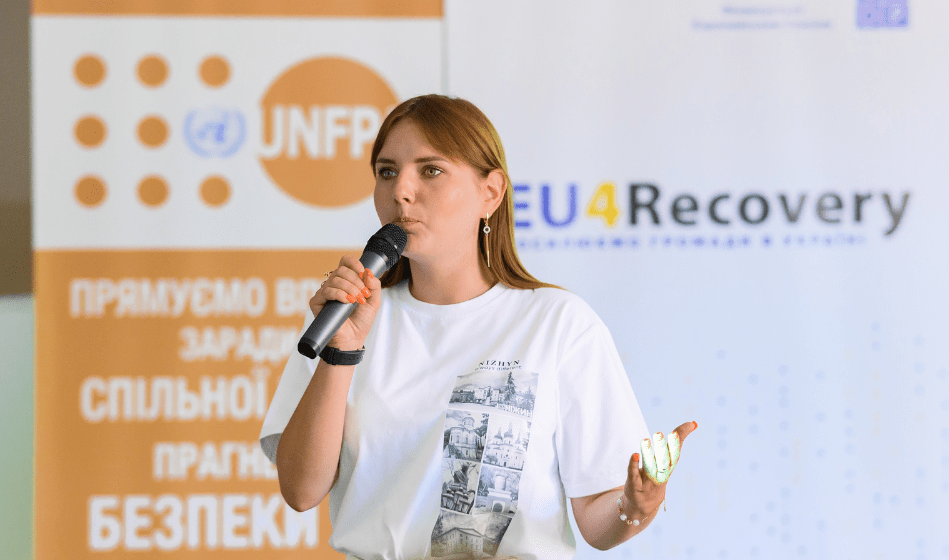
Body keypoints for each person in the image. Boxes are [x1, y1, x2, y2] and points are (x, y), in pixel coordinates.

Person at [259, 94, 697, 560]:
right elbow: (301, 492)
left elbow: (597, 522)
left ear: (491, 192)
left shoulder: (557, 323)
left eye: (430, 170)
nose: (401, 190)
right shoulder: (351, 319)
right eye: (387, 172)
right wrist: (341, 353)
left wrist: (635, 505)